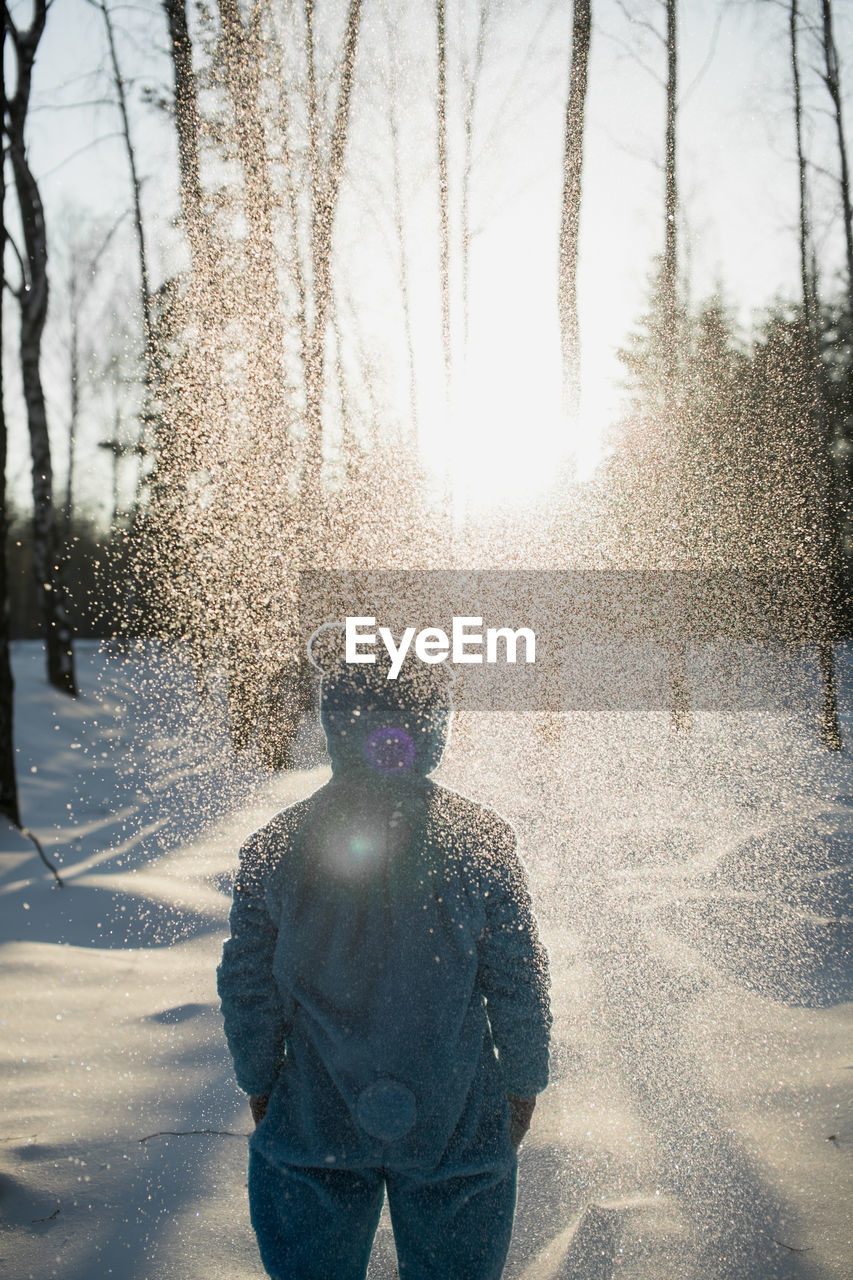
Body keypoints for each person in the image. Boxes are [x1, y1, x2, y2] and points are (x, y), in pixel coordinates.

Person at [217, 622, 552, 1280]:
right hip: (452, 1115)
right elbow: (518, 976)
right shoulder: (479, 839)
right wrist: (522, 1082)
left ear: (334, 720)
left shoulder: (276, 845)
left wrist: (260, 1081)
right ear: (435, 722)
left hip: (314, 1117)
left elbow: (247, 987)